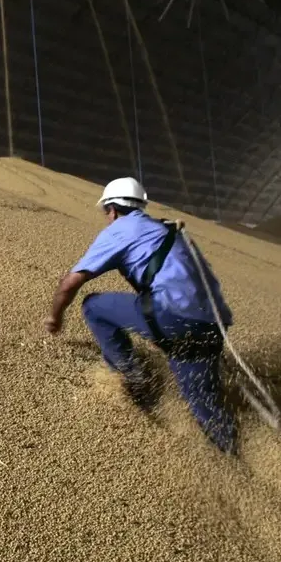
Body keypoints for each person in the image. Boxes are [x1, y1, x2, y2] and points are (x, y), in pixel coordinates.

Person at [44, 177, 238, 454]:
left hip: (173, 318)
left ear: (111, 209)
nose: (107, 219)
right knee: (201, 398)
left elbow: (71, 282)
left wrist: (55, 317)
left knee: (94, 306)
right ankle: (230, 454)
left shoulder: (120, 230)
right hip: (213, 326)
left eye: (106, 213)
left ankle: (132, 379)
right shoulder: (165, 229)